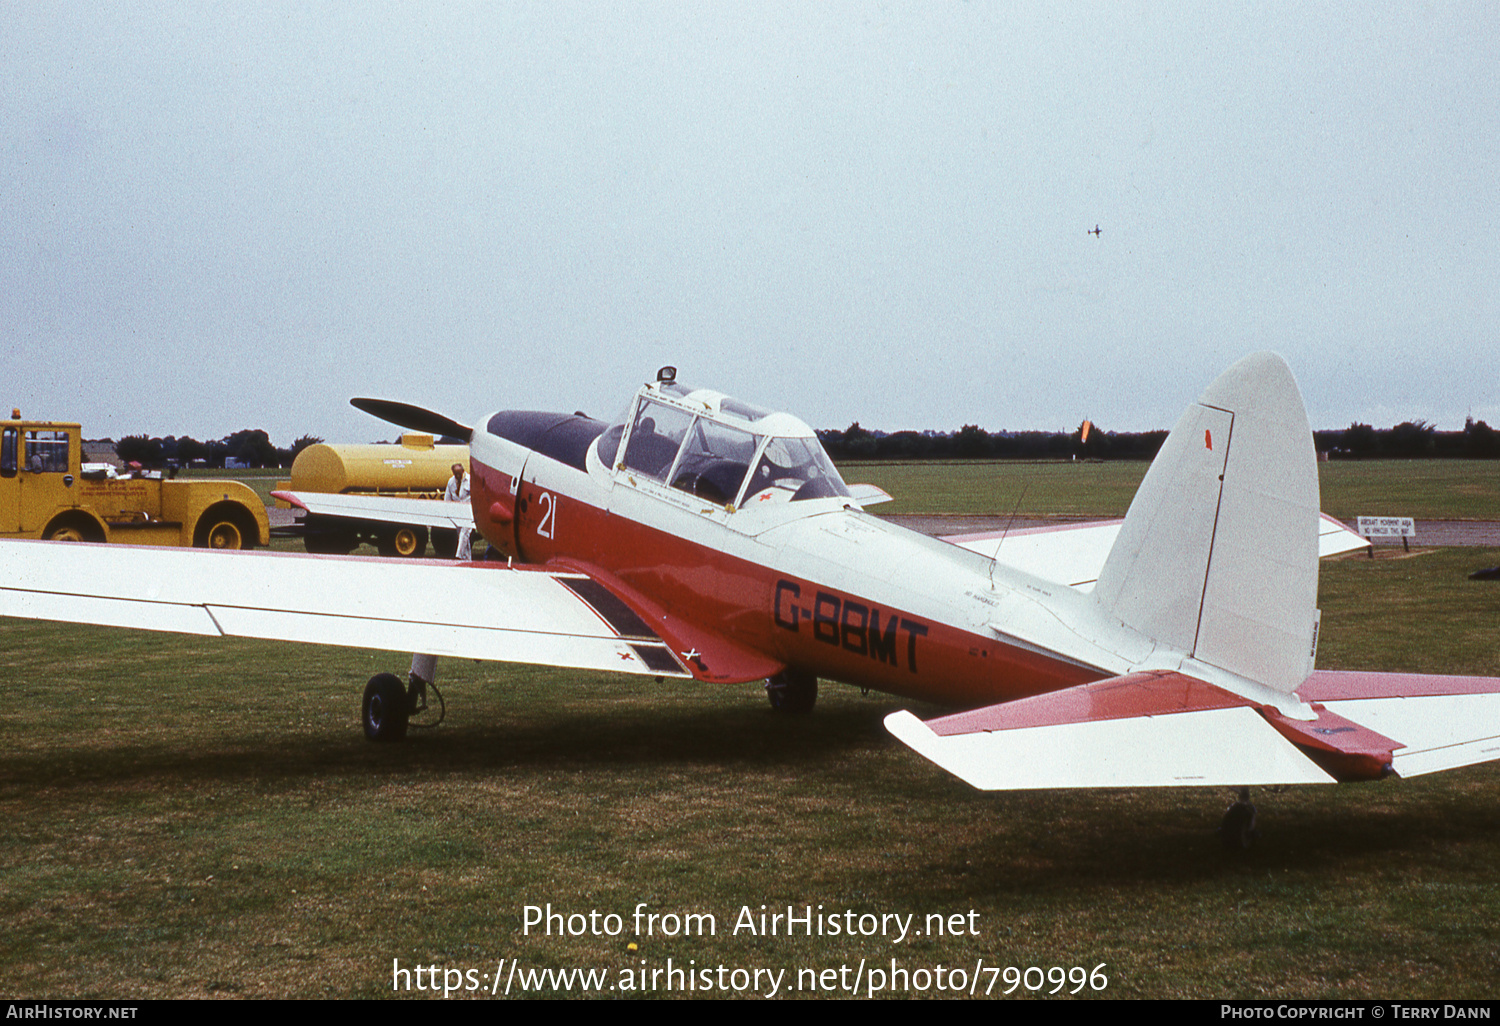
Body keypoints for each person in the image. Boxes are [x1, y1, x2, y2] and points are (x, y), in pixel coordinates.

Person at [444, 462, 472, 559]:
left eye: (459, 474)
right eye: (456, 474)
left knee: (464, 533)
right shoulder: (451, 482)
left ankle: (458, 556)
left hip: (468, 512)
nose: (458, 476)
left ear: (463, 471)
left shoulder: (470, 480)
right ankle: (467, 559)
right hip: (457, 513)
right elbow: (447, 499)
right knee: (462, 537)